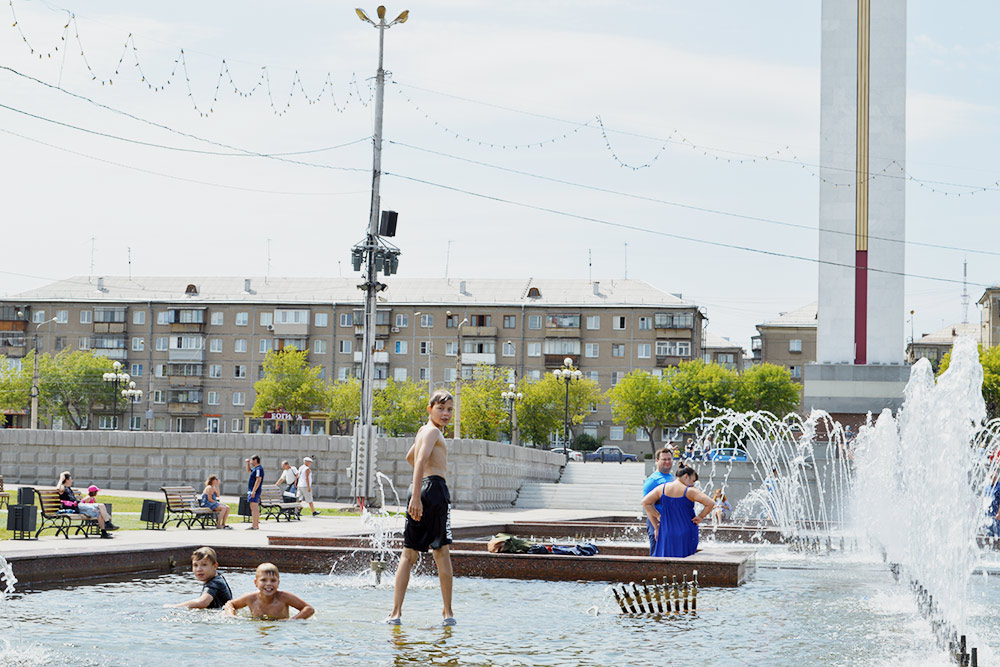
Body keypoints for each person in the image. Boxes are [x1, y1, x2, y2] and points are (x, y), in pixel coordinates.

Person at [386, 390, 456, 626]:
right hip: (433, 490)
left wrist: (417, 492)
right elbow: (419, 461)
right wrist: (420, 494)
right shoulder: (433, 431)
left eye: (449, 410)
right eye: (440, 408)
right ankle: (448, 613)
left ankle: (395, 613)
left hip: (420, 488)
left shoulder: (422, 431)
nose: (445, 414)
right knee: (441, 552)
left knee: (409, 554)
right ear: (429, 409)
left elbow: (410, 457)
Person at [641, 465, 715, 558]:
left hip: (666, 531)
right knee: (685, 562)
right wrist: (701, 516)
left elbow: (645, 502)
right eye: (692, 481)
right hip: (687, 531)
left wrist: (657, 515)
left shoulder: (662, 489)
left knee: (665, 559)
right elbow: (710, 503)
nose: (692, 484)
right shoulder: (690, 491)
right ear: (686, 476)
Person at [224, 562, 314, 620]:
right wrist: (231, 616)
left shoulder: (284, 597)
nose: (269, 584)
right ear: (256, 582)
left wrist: (293, 620)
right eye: (263, 580)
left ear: (278, 583)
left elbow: (309, 609)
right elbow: (230, 604)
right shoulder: (250, 598)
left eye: (273, 581)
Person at [165, 546, 233, 610]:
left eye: (204, 565)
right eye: (195, 565)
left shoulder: (214, 583)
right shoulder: (218, 578)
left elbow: (202, 602)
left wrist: (173, 607)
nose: (199, 569)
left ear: (215, 566)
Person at [56, 471, 117, 539]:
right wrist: (61, 478)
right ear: (66, 480)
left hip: (80, 506)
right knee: (101, 505)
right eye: (70, 479)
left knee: (100, 512)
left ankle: (104, 533)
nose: (71, 480)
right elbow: (58, 488)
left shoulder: (68, 488)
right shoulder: (63, 488)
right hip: (77, 507)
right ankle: (108, 523)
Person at [641, 448, 675, 555]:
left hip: (671, 523)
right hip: (658, 524)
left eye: (669, 459)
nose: (667, 462)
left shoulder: (672, 478)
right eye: (663, 459)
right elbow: (647, 505)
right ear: (657, 460)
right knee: (658, 557)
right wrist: (656, 527)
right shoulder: (652, 480)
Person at [245, 455, 264, 530]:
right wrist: (247, 464)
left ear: (255, 460)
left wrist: (254, 491)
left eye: (252, 460)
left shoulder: (259, 469)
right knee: (253, 507)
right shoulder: (255, 469)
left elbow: (258, 480)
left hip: (254, 491)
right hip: (251, 490)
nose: (251, 462)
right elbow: (249, 471)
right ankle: (254, 524)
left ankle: (255, 525)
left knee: (254, 507)